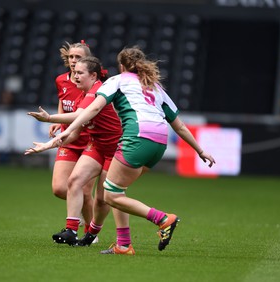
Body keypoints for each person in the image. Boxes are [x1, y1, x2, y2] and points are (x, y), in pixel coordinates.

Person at [26, 46, 216, 255]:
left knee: (111, 194)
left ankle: (162, 219)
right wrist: (200, 151)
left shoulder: (116, 81)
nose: (76, 74)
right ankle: (122, 244)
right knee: (114, 190)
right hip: (158, 144)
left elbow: (93, 109)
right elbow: (178, 125)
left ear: (121, 66)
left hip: (135, 139)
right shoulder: (155, 87)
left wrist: (55, 122)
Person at [27, 56, 122, 246]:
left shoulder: (97, 91)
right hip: (96, 146)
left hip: (115, 149)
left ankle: (91, 233)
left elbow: (78, 116)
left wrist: (49, 119)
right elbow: (74, 133)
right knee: (74, 181)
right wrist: (48, 146)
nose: (75, 76)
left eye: (80, 73)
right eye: (74, 72)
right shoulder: (82, 95)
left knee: (103, 199)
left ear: (94, 75)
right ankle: (71, 230)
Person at [44, 41, 96, 236]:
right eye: (71, 57)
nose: (74, 61)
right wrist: (58, 119)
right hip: (70, 140)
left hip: (90, 142)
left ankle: (90, 232)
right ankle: (79, 208)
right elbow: (62, 99)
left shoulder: (93, 81)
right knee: (59, 188)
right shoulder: (61, 80)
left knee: (84, 191)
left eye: (78, 57)